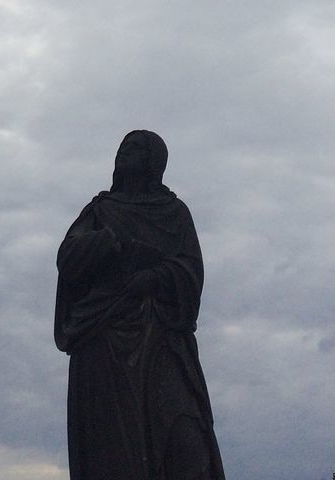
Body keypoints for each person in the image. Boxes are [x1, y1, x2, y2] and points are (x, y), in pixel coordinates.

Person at [55, 130, 225, 480]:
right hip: (103, 340)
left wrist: (155, 277)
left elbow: (191, 270)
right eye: (121, 147)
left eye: (133, 149)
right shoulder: (100, 211)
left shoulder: (174, 213)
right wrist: (108, 242)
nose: (123, 154)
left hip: (161, 338)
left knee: (185, 435)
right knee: (113, 450)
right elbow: (67, 257)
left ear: (153, 161)